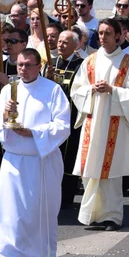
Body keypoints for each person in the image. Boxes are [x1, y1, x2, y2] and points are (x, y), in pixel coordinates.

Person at [0, 48, 71, 257]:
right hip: (14, 160)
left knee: (40, 213)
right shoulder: (8, 91)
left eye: (28, 65)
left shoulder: (52, 90)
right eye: (20, 64)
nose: (22, 69)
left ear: (38, 66)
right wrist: (6, 118)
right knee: (10, 215)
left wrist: (32, 133)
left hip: (42, 160)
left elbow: (63, 126)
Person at [70, 18, 129, 230]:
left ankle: (111, 216)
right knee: (90, 170)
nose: (103, 37)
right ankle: (92, 214)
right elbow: (77, 89)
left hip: (115, 125)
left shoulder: (128, 62)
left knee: (111, 173)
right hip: (93, 123)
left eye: (108, 33)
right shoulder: (90, 61)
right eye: (100, 33)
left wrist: (113, 90)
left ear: (118, 36)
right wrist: (91, 90)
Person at [49, 30, 85, 207]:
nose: (60, 45)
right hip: (52, 117)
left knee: (69, 155)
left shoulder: (82, 65)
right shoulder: (50, 62)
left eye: (65, 42)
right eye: (59, 41)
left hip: (72, 117)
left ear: (76, 45)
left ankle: (67, 195)